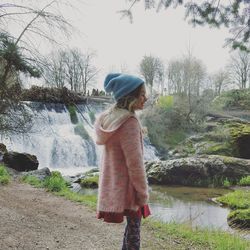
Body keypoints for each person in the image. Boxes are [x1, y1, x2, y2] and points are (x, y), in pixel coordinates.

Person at [94, 73, 151, 250]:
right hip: (129, 189)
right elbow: (135, 164)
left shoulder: (107, 118)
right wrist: (143, 193)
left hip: (115, 186)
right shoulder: (130, 122)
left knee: (131, 230)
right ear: (131, 97)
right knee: (134, 233)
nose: (146, 98)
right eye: (142, 94)